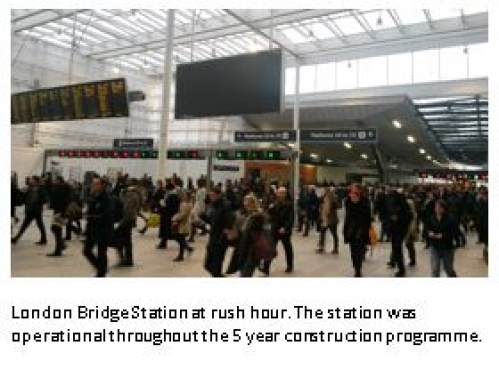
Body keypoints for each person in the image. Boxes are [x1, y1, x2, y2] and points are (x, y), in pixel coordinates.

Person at [83, 176, 115, 277]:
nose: (93, 185)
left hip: (103, 230)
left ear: (102, 186)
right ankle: (101, 268)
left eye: (96, 184)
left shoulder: (107, 198)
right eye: (93, 184)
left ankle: (101, 272)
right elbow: (89, 210)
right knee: (86, 251)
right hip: (92, 229)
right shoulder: (93, 196)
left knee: (102, 252)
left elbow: (107, 216)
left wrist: (90, 217)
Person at [203, 187, 234, 277]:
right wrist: (204, 217)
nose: (211, 197)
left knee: (216, 265)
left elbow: (229, 224)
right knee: (207, 265)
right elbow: (211, 221)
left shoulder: (226, 205)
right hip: (212, 237)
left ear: (219, 195)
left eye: (212, 195)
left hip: (221, 240)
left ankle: (218, 276)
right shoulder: (213, 205)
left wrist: (222, 238)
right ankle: (219, 276)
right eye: (210, 195)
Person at [263, 186, 295, 274]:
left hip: (284, 230)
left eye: (282, 193)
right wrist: (270, 208)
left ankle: (290, 265)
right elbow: (270, 215)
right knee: (270, 248)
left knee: (288, 248)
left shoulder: (289, 204)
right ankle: (265, 268)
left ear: (285, 194)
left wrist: (285, 227)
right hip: (275, 229)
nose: (280, 194)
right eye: (279, 193)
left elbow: (291, 218)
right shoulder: (275, 203)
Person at [343, 184, 371, 277]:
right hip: (351, 230)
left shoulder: (365, 201)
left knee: (358, 251)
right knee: (353, 252)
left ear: (359, 191)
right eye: (351, 191)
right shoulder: (348, 201)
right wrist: (345, 230)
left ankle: (358, 270)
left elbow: (367, 216)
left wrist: (357, 202)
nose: (352, 193)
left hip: (361, 231)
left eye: (354, 191)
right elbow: (347, 216)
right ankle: (356, 268)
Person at [237, 194, 268, 277]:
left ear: (253, 203)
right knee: (244, 273)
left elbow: (257, 234)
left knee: (245, 274)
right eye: (245, 203)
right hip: (244, 249)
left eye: (247, 203)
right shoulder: (247, 216)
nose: (245, 205)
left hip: (252, 250)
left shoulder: (257, 217)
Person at [12, 176, 48, 245]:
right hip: (30, 209)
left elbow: (45, 199)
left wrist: (38, 202)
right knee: (38, 225)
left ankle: (16, 238)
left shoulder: (40, 189)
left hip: (36, 210)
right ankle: (44, 239)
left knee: (27, 225)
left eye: (32, 179)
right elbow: (24, 197)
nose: (30, 180)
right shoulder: (29, 188)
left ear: (35, 181)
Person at [427, 199, 458, 277]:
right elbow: (426, 229)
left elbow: (455, 232)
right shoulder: (431, 218)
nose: (436, 209)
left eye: (439, 207)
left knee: (448, 269)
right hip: (435, 246)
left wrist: (443, 235)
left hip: (447, 247)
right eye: (436, 207)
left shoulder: (451, 218)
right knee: (435, 269)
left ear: (444, 209)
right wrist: (429, 233)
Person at [114, 179, 142, 267]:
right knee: (126, 240)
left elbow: (127, 208)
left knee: (120, 239)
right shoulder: (135, 194)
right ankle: (127, 259)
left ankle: (126, 259)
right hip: (129, 219)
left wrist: (122, 220)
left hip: (126, 219)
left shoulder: (131, 194)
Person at [386, 188, 412, 277]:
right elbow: (388, 216)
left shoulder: (403, 203)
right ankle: (398, 266)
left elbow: (409, 216)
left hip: (401, 229)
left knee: (397, 248)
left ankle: (401, 269)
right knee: (396, 249)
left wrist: (398, 218)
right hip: (393, 229)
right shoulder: (391, 203)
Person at [46, 176, 71, 257]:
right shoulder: (60, 187)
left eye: (55, 180)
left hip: (60, 212)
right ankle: (60, 246)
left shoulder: (61, 188)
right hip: (59, 211)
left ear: (59, 180)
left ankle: (59, 249)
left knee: (55, 228)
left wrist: (60, 212)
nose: (54, 181)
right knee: (57, 229)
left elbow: (61, 200)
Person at [171, 191, 194, 262]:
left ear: (188, 196)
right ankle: (188, 248)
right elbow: (180, 212)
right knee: (180, 238)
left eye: (184, 195)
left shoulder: (187, 204)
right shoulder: (184, 203)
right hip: (181, 222)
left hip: (183, 224)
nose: (183, 196)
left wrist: (176, 220)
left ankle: (181, 256)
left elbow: (183, 215)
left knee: (180, 238)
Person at [157, 182, 180, 250]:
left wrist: (163, 204)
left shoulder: (172, 195)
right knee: (165, 231)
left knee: (170, 232)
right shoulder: (169, 195)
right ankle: (163, 243)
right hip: (166, 215)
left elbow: (172, 207)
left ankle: (185, 245)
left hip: (168, 215)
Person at [317, 187, 339, 254]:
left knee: (334, 234)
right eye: (325, 191)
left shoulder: (333, 199)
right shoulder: (324, 198)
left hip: (332, 220)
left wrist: (332, 198)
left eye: (327, 191)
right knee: (322, 233)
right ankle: (321, 247)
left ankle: (336, 248)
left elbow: (335, 206)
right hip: (325, 219)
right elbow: (320, 202)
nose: (326, 192)